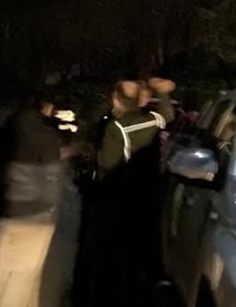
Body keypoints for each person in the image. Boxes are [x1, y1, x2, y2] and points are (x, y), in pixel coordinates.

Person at [88, 77, 175, 306]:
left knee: (113, 264)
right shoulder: (153, 120)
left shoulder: (115, 127)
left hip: (118, 204)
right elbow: (168, 115)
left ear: (115, 99)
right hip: (148, 198)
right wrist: (163, 92)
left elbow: (105, 163)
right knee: (140, 260)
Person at [0, 91, 70, 307]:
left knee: (0, 278)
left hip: (5, 212)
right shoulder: (47, 138)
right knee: (23, 279)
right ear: (47, 107)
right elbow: (51, 180)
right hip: (34, 217)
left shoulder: (3, 134)